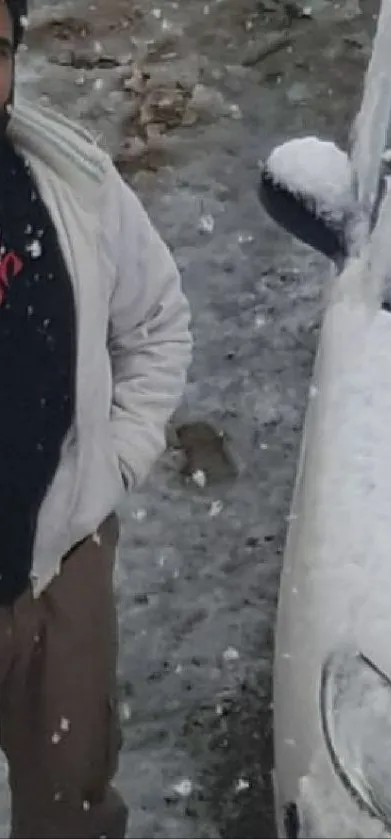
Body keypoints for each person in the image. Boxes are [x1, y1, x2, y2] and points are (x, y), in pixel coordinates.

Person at [0, 1, 192, 836]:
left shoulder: (71, 182)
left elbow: (155, 321)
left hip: (58, 572)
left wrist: (112, 464)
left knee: (71, 808)